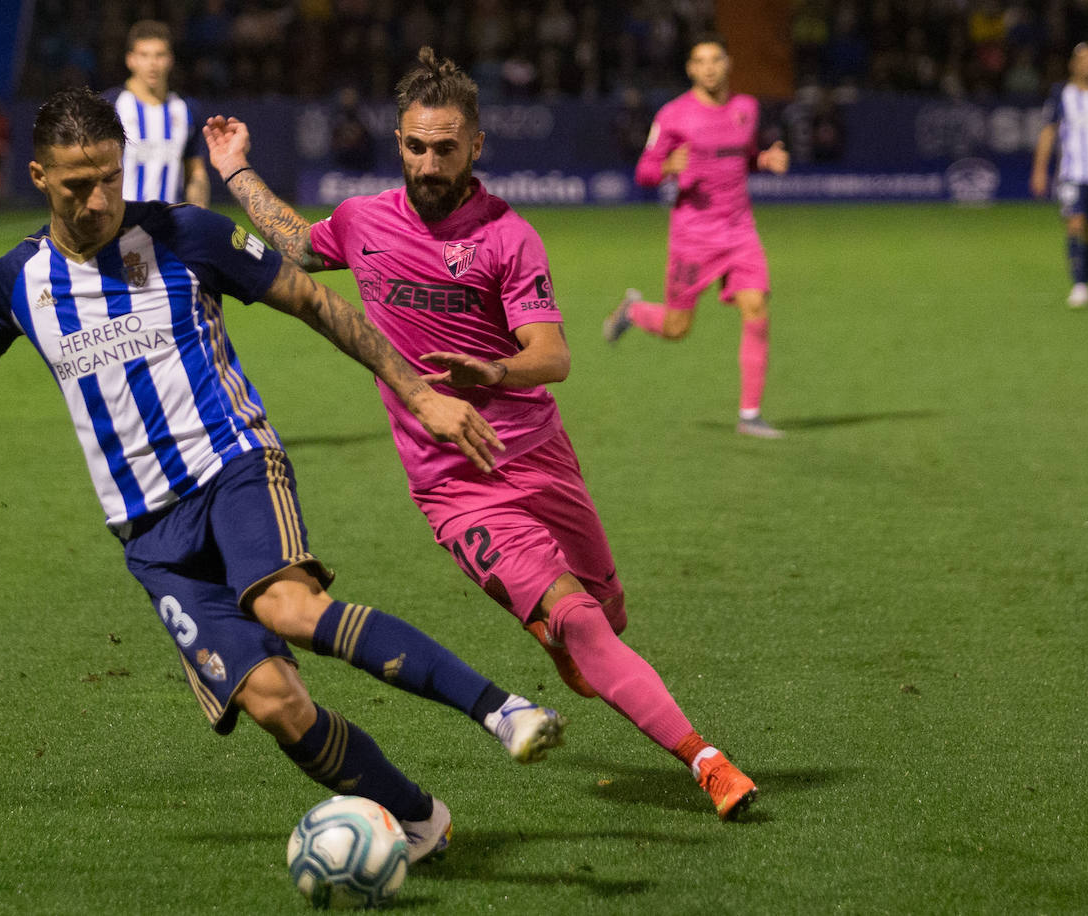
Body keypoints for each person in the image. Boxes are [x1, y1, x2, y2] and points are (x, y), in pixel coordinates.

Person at [0, 86, 566, 864]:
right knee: (274, 702)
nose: (97, 199)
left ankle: (500, 709)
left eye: (109, 178)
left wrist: (421, 393)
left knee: (290, 607)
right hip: (148, 532)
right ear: (37, 177)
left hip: (231, 463)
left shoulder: (184, 234)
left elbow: (317, 304)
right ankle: (419, 820)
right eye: (75, 185)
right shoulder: (16, 280)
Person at [204, 47, 757, 821]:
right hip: (453, 487)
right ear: (398, 142)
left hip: (538, 458)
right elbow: (295, 242)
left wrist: (491, 373)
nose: (430, 163)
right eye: (417, 146)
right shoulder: (364, 222)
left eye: (447, 148)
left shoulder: (507, 237)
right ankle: (708, 760)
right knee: (580, 621)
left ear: (476, 147)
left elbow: (553, 356)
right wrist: (236, 170)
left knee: (605, 617)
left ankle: (564, 632)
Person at [602, 35, 790, 439]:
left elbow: (742, 157)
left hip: (740, 232)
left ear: (728, 64)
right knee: (677, 328)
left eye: (715, 60)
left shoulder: (746, 108)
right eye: (699, 61)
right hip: (693, 238)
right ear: (690, 69)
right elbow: (644, 172)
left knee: (756, 309)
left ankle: (750, 414)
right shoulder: (673, 115)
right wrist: (669, 164)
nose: (708, 67)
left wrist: (763, 160)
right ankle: (632, 312)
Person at [1030, 42, 1088, 311]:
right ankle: (1077, 285)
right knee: (1075, 224)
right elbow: (1048, 132)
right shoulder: (1061, 94)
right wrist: (1040, 170)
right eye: (1086, 60)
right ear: (1073, 65)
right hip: (1072, 173)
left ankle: (1086, 286)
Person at [102, 20, 210, 208]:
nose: (152, 63)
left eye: (159, 55)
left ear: (170, 59)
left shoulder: (186, 109)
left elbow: (195, 172)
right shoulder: (110, 106)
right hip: (122, 225)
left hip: (170, 226)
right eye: (144, 55)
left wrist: (199, 216)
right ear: (130, 60)